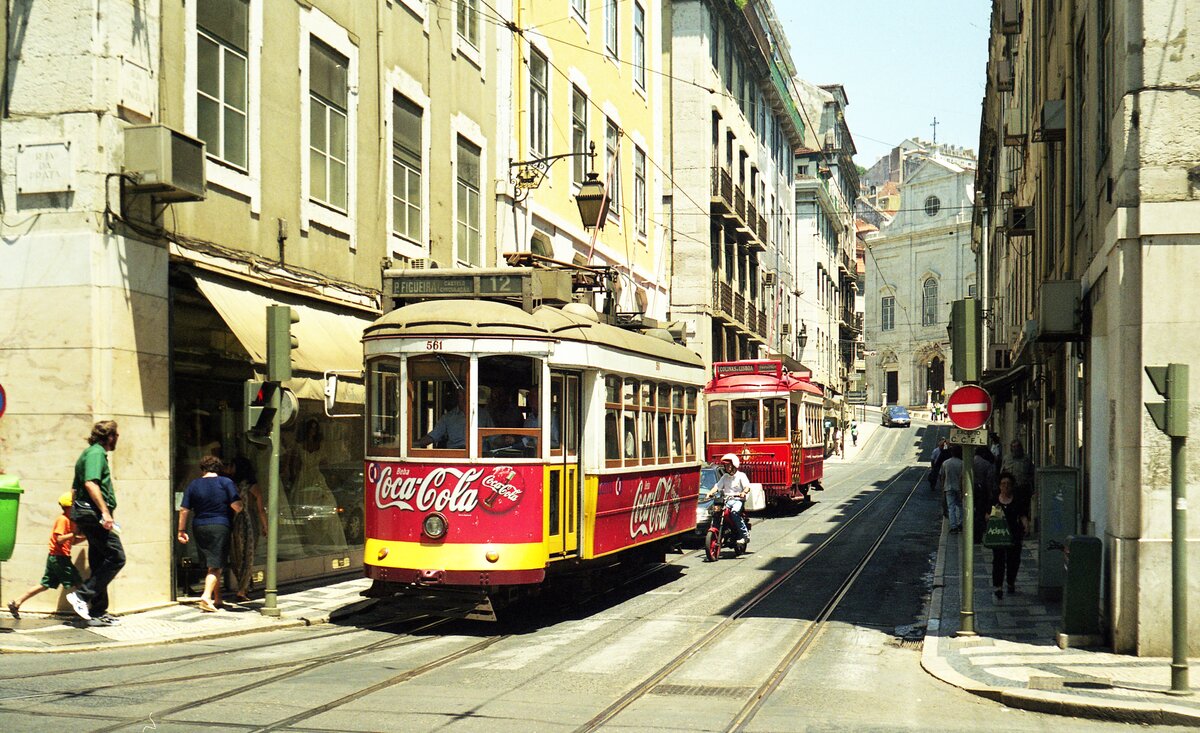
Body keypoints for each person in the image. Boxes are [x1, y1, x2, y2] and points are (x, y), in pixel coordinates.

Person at [65, 420, 125, 625]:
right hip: (93, 514)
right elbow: (90, 483)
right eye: (116, 435)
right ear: (109, 436)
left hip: (86, 513)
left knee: (100, 560)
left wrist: (75, 520)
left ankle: (98, 610)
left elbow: (74, 490)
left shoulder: (87, 454)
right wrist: (105, 512)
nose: (117, 438)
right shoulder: (96, 453)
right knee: (117, 557)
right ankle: (81, 596)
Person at [177, 455, 244, 612]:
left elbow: (184, 509)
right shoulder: (226, 482)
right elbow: (236, 506)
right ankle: (206, 597)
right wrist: (242, 505)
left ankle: (217, 598)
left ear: (202, 469)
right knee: (216, 565)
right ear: (218, 468)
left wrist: (181, 530)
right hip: (220, 526)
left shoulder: (194, 484)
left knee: (212, 563)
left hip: (199, 526)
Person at [7, 493, 86, 619]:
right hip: (60, 558)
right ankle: (84, 612)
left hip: (56, 557)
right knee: (78, 583)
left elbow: (72, 541)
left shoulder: (69, 520)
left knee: (44, 585)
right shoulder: (63, 519)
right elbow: (59, 539)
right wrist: (74, 533)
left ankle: (16, 602)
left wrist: (84, 537)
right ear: (69, 507)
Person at [225, 456, 266, 603]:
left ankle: (242, 589)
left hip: (247, 522)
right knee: (237, 556)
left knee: (246, 555)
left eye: (232, 465)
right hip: (235, 522)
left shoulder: (250, 485)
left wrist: (264, 525)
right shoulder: (229, 483)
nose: (229, 468)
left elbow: (260, 508)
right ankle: (245, 585)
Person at [991, 471, 1030, 599]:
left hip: (1014, 533)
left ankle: (1010, 581)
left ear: (1012, 486)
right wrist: (991, 516)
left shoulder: (1017, 500)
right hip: (998, 534)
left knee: (1014, 560)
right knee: (998, 560)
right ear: (999, 486)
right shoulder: (994, 499)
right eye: (1003, 484)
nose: (1006, 486)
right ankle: (998, 586)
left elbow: (1023, 514)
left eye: (1008, 484)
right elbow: (986, 514)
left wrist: (1026, 525)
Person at [707, 453, 750, 549]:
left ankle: (745, 536)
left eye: (728, 465)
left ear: (734, 465)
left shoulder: (741, 476)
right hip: (727, 500)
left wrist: (743, 492)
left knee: (734, 512)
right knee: (717, 512)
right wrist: (710, 493)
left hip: (737, 500)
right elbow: (717, 487)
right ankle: (720, 532)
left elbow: (747, 487)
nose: (726, 467)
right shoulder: (725, 477)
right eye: (725, 465)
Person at [972, 447, 999, 541]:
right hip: (982, 491)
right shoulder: (986, 464)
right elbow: (989, 480)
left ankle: (971, 532)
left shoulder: (969, 462)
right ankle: (978, 534)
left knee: (971, 512)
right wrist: (990, 493)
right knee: (980, 513)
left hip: (970, 490)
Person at [1002, 439, 1036, 508]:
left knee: (1023, 508)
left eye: (1017, 447)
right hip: (1010, 489)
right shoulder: (1007, 459)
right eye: (1013, 447)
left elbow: (1032, 473)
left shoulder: (1026, 459)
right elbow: (1002, 473)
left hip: (1023, 488)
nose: (1015, 449)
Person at [938, 445, 964, 533]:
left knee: (951, 507)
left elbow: (942, 477)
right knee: (960, 506)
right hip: (959, 488)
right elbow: (963, 477)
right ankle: (961, 523)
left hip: (948, 487)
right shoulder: (962, 463)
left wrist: (942, 489)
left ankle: (953, 526)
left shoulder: (945, 463)